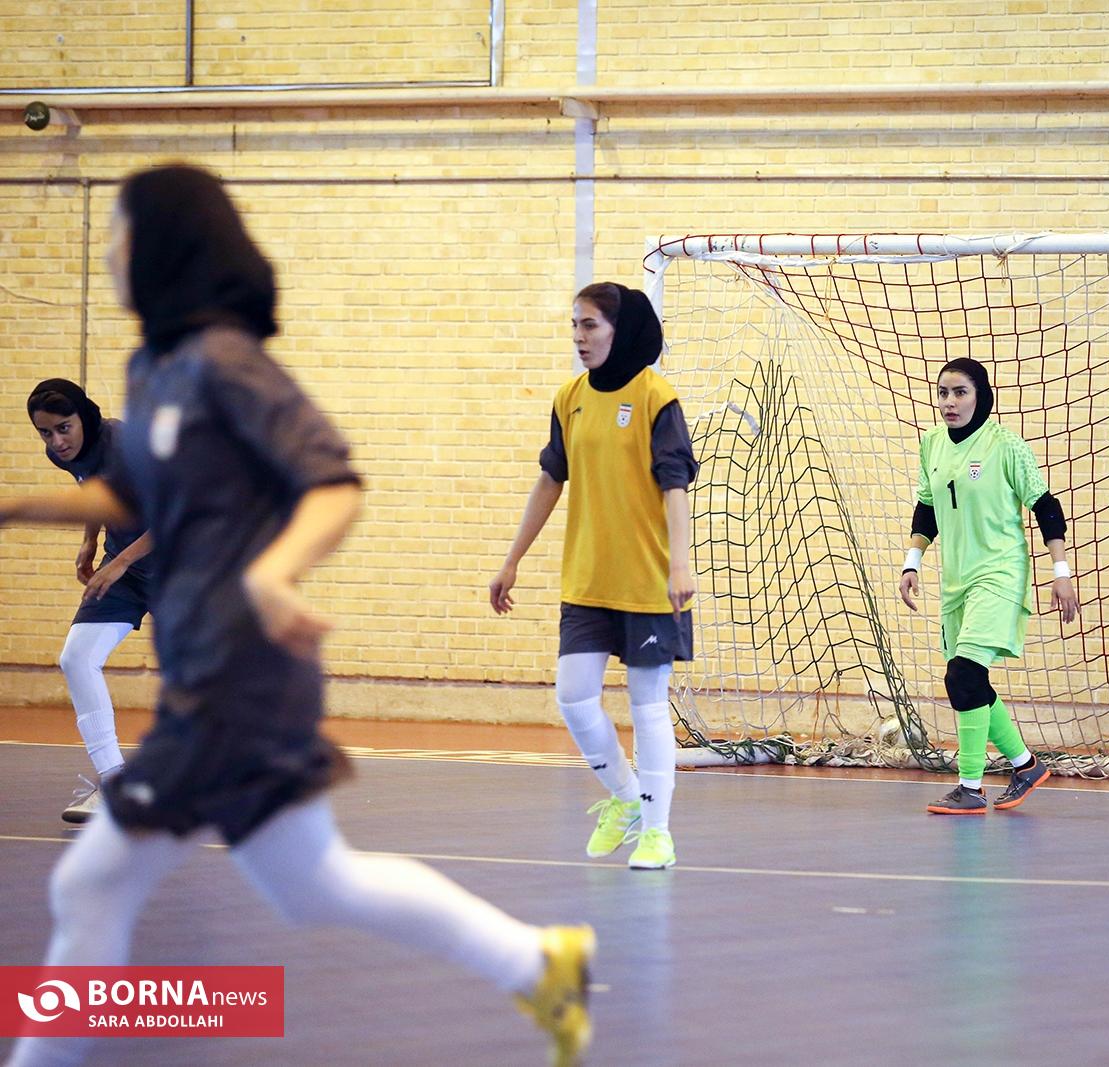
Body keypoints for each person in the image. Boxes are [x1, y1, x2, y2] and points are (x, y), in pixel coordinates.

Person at [0, 165, 592, 1067]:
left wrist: (276, 574)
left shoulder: (226, 363)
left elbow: (333, 485)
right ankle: (539, 964)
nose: (111, 250)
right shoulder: (154, 369)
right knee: (311, 883)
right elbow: (138, 497)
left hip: (242, 676)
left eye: (123, 231)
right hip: (210, 673)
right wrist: (19, 507)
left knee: (92, 886)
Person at [491, 282, 697, 871]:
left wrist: (680, 562)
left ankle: (657, 833)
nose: (579, 338)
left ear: (619, 330)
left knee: (648, 705)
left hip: (648, 581)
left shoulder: (656, 398)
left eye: (590, 326)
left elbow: (675, 486)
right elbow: (551, 479)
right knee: (574, 697)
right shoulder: (569, 399)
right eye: (574, 326)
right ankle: (626, 798)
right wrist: (512, 558)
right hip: (586, 579)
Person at [898, 357, 1080, 815]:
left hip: (999, 573)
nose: (949, 402)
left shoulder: (1006, 446)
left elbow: (1046, 507)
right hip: (956, 580)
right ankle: (1025, 766)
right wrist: (912, 562)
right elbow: (927, 508)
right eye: (943, 393)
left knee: (962, 674)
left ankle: (971, 788)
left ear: (980, 396)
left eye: (960, 392)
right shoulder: (931, 444)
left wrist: (1061, 573)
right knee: (969, 680)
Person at [26, 379, 154, 823]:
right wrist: (90, 540)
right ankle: (115, 783)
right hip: (125, 570)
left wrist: (119, 563)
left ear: (85, 417)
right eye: (45, 433)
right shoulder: (65, 455)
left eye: (64, 428)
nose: (56, 442)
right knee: (77, 659)